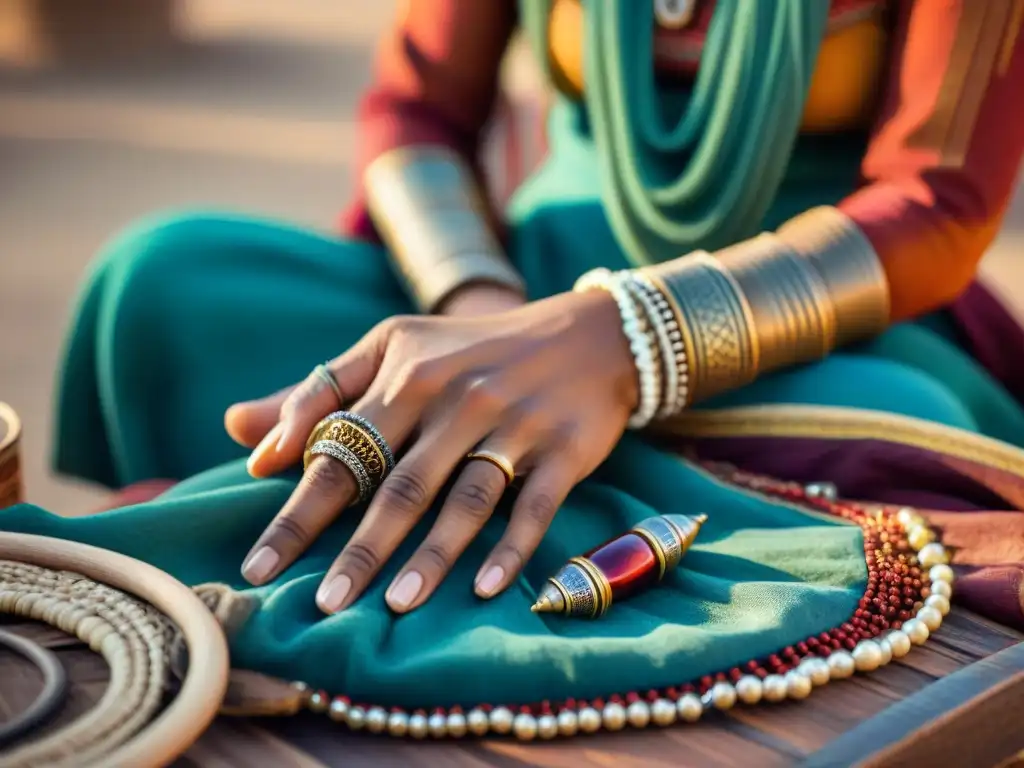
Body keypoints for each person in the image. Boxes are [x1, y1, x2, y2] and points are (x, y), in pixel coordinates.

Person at [3, 0, 1024, 721]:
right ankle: (526, 462)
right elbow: (415, 114)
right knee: (167, 279)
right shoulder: (489, 306)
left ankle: (535, 480)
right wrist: (480, 315)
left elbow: (936, 204)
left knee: (893, 416)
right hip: (510, 280)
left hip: (801, 321)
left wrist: (626, 340)